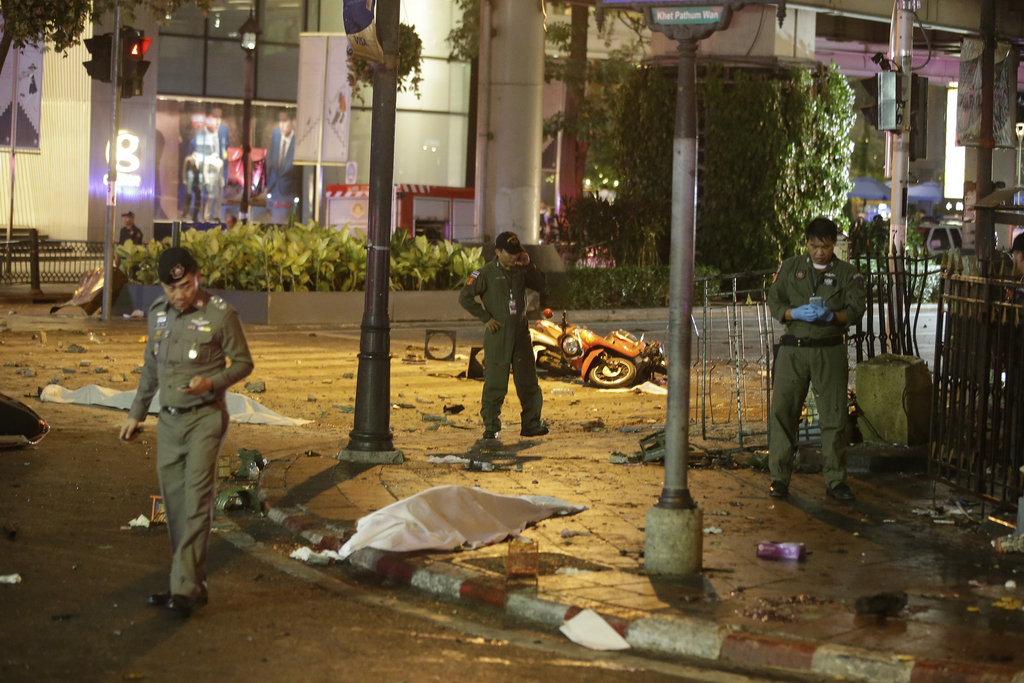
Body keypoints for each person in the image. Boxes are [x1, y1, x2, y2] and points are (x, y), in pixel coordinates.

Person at [119, 247, 254, 616]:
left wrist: (210, 382)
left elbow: (243, 363)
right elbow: (150, 367)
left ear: (198, 276)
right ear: (162, 286)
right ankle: (193, 584)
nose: (180, 293)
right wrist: (137, 413)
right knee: (175, 507)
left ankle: (182, 589)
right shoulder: (157, 315)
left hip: (205, 419)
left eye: (187, 283)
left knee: (196, 503)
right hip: (169, 422)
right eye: (172, 286)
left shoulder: (220, 315)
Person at [766, 217, 866, 501]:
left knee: (834, 416)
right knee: (783, 414)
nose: (818, 252)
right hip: (792, 350)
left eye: (824, 246)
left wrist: (832, 317)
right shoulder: (790, 267)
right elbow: (775, 301)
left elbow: (857, 309)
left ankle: (835, 480)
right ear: (806, 243)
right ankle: (780, 479)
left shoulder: (848, 273)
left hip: (829, 348)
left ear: (834, 243)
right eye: (813, 246)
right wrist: (792, 313)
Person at [459, 231, 548, 440]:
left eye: (517, 252)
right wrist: (485, 318)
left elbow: (541, 284)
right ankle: (491, 427)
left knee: (528, 380)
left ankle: (531, 424)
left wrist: (528, 264)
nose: (514, 256)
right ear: (497, 251)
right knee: (496, 383)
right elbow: (465, 297)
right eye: (510, 253)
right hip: (498, 334)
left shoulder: (520, 271)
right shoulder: (484, 274)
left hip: (521, 334)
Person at [263, 111, 297, 224]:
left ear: (292, 122)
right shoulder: (276, 134)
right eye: (280, 121)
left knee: (284, 223)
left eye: (285, 121)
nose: (281, 125)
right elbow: (271, 160)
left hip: (288, 192)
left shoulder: (297, 141)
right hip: (273, 190)